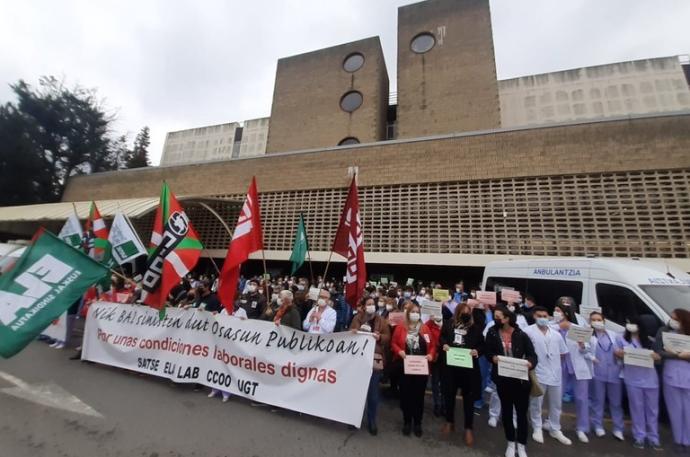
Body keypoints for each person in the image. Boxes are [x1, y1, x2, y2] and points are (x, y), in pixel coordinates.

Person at [485, 306, 537, 457]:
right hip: (502, 379)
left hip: (521, 380)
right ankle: (510, 442)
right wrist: (492, 358)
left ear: (508, 318)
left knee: (521, 413)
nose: (496, 319)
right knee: (507, 412)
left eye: (499, 317)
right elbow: (488, 352)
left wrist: (529, 363)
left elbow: (533, 355)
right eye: (495, 317)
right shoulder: (493, 333)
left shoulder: (521, 334)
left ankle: (521, 445)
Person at [525, 306, 572, 445]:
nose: (542, 319)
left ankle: (555, 428)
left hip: (555, 373)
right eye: (539, 316)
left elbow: (563, 352)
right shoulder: (528, 332)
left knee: (556, 403)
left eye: (545, 316)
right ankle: (537, 427)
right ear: (534, 316)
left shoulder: (556, 334)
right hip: (538, 372)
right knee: (536, 402)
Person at [439, 302, 484, 446]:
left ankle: (468, 428)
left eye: (468, 312)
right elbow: (442, 338)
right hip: (451, 367)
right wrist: (444, 344)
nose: (466, 315)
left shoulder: (475, 328)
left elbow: (482, 345)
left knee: (468, 399)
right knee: (449, 395)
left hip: (468, 369)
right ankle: (449, 421)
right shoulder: (448, 324)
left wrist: (477, 351)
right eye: (463, 312)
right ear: (458, 313)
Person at [616, 316, 662, 450]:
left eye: (635, 324)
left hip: (650, 381)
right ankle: (639, 437)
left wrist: (656, 357)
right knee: (637, 409)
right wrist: (619, 353)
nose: (631, 326)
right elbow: (616, 353)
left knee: (652, 411)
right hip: (633, 380)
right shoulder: (622, 339)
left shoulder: (650, 341)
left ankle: (654, 437)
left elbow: (659, 358)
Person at [391, 301, 435, 437]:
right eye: (413, 312)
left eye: (417, 312)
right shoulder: (400, 327)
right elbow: (393, 343)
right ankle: (407, 422)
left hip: (421, 369)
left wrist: (430, 355)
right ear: (408, 313)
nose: (415, 314)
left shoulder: (425, 329)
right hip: (405, 367)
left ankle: (417, 423)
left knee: (418, 397)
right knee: (406, 396)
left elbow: (433, 345)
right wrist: (399, 351)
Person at [552, 303, 594, 443]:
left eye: (558, 310)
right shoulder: (552, 327)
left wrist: (582, 345)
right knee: (556, 398)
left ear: (566, 313)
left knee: (582, 399)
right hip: (561, 366)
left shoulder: (577, 328)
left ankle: (581, 428)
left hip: (578, 368)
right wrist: (559, 327)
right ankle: (553, 424)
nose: (555, 312)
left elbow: (587, 349)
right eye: (555, 310)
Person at [350, 297, 391, 435]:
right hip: (359, 359)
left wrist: (380, 338)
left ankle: (372, 420)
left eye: (373, 304)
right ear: (363, 306)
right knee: (357, 392)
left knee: (373, 394)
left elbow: (388, 337)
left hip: (374, 360)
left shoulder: (381, 320)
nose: (372, 306)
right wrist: (354, 333)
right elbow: (350, 334)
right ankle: (354, 418)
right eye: (369, 304)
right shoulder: (357, 318)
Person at [654, 308, 690, 451]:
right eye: (671, 317)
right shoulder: (664, 331)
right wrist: (677, 355)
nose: (673, 321)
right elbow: (658, 350)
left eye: (676, 318)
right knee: (674, 409)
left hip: (687, 376)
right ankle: (678, 440)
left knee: (688, 410)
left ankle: (688, 441)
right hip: (671, 375)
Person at [588, 311, 624, 441]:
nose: (596, 322)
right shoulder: (589, 336)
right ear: (590, 322)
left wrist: (621, 353)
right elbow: (584, 351)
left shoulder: (615, 336)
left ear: (604, 321)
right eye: (594, 320)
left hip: (614, 373)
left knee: (616, 402)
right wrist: (590, 357)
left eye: (599, 319)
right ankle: (597, 426)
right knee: (598, 400)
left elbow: (623, 351)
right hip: (598, 373)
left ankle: (618, 429)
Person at [424, 312, 444, 418]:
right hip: (435, 358)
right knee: (435, 382)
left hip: (446, 357)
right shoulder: (429, 325)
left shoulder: (448, 324)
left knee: (445, 382)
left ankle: (444, 405)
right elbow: (424, 332)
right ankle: (437, 404)